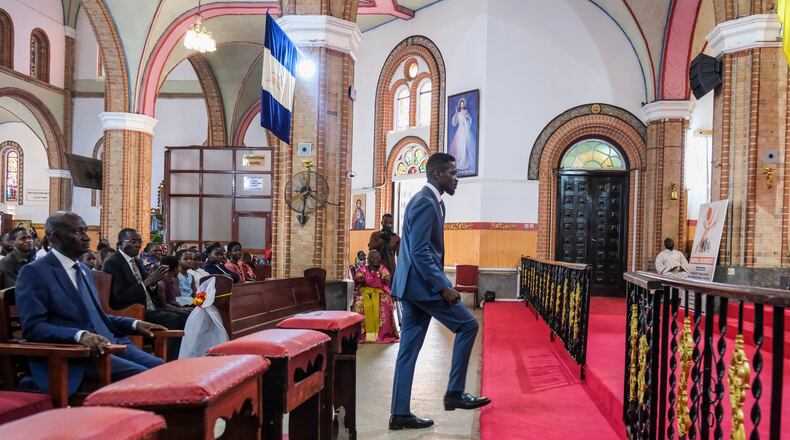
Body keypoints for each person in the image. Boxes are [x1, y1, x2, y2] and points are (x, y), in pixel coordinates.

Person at [389, 153, 489, 431]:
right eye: (453, 173)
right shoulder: (426, 202)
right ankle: (455, 393)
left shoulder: (431, 201)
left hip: (412, 287)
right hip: (423, 288)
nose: (457, 178)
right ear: (437, 175)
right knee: (468, 326)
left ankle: (399, 413)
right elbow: (420, 251)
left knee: (407, 352)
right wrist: (443, 286)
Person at [15, 212, 166, 396]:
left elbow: (96, 316)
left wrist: (134, 324)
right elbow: (33, 327)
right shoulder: (35, 272)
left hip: (112, 343)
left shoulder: (84, 270)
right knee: (146, 378)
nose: (86, 237)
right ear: (55, 236)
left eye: (85, 231)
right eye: (78, 232)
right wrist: (79, 335)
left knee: (162, 368)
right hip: (78, 356)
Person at [102, 228, 187, 340]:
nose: (138, 245)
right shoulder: (113, 263)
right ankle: (170, 356)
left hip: (150, 307)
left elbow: (149, 288)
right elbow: (120, 297)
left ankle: (182, 355)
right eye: (133, 241)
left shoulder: (136, 261)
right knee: (173, 319)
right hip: (131, 311)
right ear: (119, 244)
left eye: (139, 241)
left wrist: (154, 282)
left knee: (185, 316)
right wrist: (148, 281)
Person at [352, 249, 398, 343]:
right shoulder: (363, 268)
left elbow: (386, 275)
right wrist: (359, 277)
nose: (377, 259)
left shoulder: (382, 268)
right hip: (365, 292)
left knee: (384, 304)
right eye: (374, 257)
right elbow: (358, 275)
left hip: (379, 292)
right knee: (359, 303)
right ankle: (362, 334)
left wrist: (386, 277)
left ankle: (384, 334)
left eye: (378, 257)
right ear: (369, 259)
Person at [448, 98, 475, 174]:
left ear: (464, 104)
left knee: (464, 146)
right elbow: (454, 122)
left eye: (463, 104)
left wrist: (467, 118)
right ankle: (459, 163)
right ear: (459, 105)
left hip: (465, 130)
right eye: (461, 104)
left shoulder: (466, 112)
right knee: (458, 146)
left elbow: (469, 120)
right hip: (459, 129)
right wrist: (456, 113)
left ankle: (463, 163)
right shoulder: (458, 112)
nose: (462, 105)